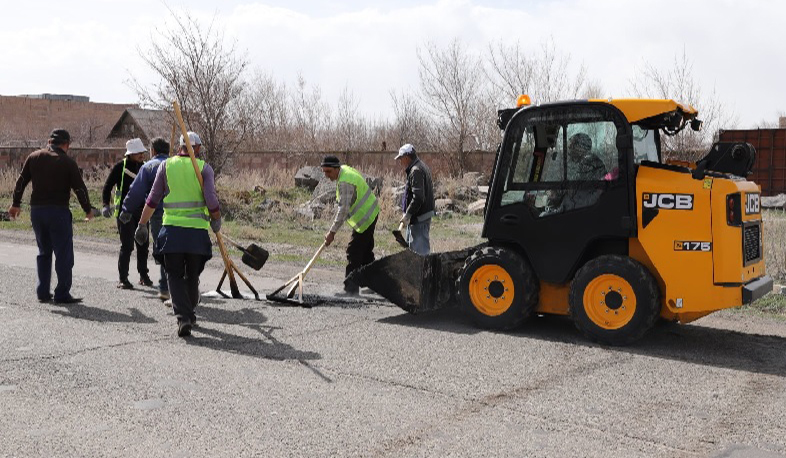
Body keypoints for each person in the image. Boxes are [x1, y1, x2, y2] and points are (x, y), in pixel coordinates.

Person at [134, 132, 221, 337]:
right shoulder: (204, 169)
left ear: (180, 147)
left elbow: (153, 199)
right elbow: (211, 199)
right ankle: (188, 315)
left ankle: (184, 316)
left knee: (174, 274)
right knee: (192, 275)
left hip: (172, 231)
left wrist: (142, 223)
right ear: (197, 148)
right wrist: (216, 218)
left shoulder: (166, 166)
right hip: (196, 235)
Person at [8, 128, 94, 304]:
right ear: (66, 144)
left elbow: (21, 182)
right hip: (58, 212)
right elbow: (79, 188)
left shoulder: (34, 157)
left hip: (37, 211)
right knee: (63, 254)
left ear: (49, 141)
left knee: (44, 251)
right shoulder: (67, 162)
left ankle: (43, 292)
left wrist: (16, 203)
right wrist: (87, 209)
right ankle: (62, 293)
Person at [321, 155, 379, 296]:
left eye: (328, 171)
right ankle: (377, 284)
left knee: (353, 251)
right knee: (365, 252)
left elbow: (343, 210)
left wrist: (332, 232)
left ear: (336, 169)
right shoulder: (344, 171)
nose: (326, 175)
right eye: (324, 172)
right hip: (371, 212)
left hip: (366, 217)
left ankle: (351, 289)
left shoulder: (345, 182)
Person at [121, 137, 170, 301]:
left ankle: (165, 287)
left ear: (153, 151)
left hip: (156, 214)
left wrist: (126, 209)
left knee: (163, 247)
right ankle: (178, 285)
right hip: (180, 212)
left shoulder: (148, 167)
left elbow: (135, 190)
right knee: (177, 248)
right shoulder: (177, 165)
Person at [102, 138, 151, 290]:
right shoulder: (120, 167)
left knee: (143, 245)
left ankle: (143, 275)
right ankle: (123, 278)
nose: (141, 155)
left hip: (142, 212)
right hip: (125, 213)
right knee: (127, 246)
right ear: (130, 154)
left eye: (142, 152)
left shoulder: (145, 167)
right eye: (138, 153)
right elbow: (108, 186)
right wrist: (105, 204)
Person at [394, 144, 435, 255]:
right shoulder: (420, 166)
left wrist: (408, 214)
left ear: (407, 157)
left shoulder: (416, 170)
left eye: (401, 159)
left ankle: (422, 273)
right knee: (414, 252)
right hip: (419, 218)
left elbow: (418, 197)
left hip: (420, 219)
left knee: (420, 255)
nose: (400, 162)